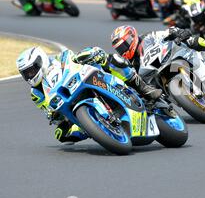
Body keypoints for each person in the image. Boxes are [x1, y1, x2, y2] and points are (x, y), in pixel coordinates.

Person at [16, 45, 162, 143]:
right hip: (71, 104)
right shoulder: (36, 93)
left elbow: (74, 56)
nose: (30, 76)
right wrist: (54, 117)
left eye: (31, 70)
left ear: (40, 61)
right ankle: (101, 129)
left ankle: (144, 88)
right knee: (61, 134)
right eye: (26, 74)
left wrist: (90, 54)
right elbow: (48, 111)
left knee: (110, 59)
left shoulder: (59, 59)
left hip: (87, 78)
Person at [110, 25, 205, 75]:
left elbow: (165, 33)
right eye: (119, 49)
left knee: (193, 41)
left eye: (123, 46)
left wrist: (176, 32)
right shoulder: (131, 64)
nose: (123, 51)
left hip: (168, 55)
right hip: (156, 74)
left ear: (131, 38)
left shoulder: (148, 37)